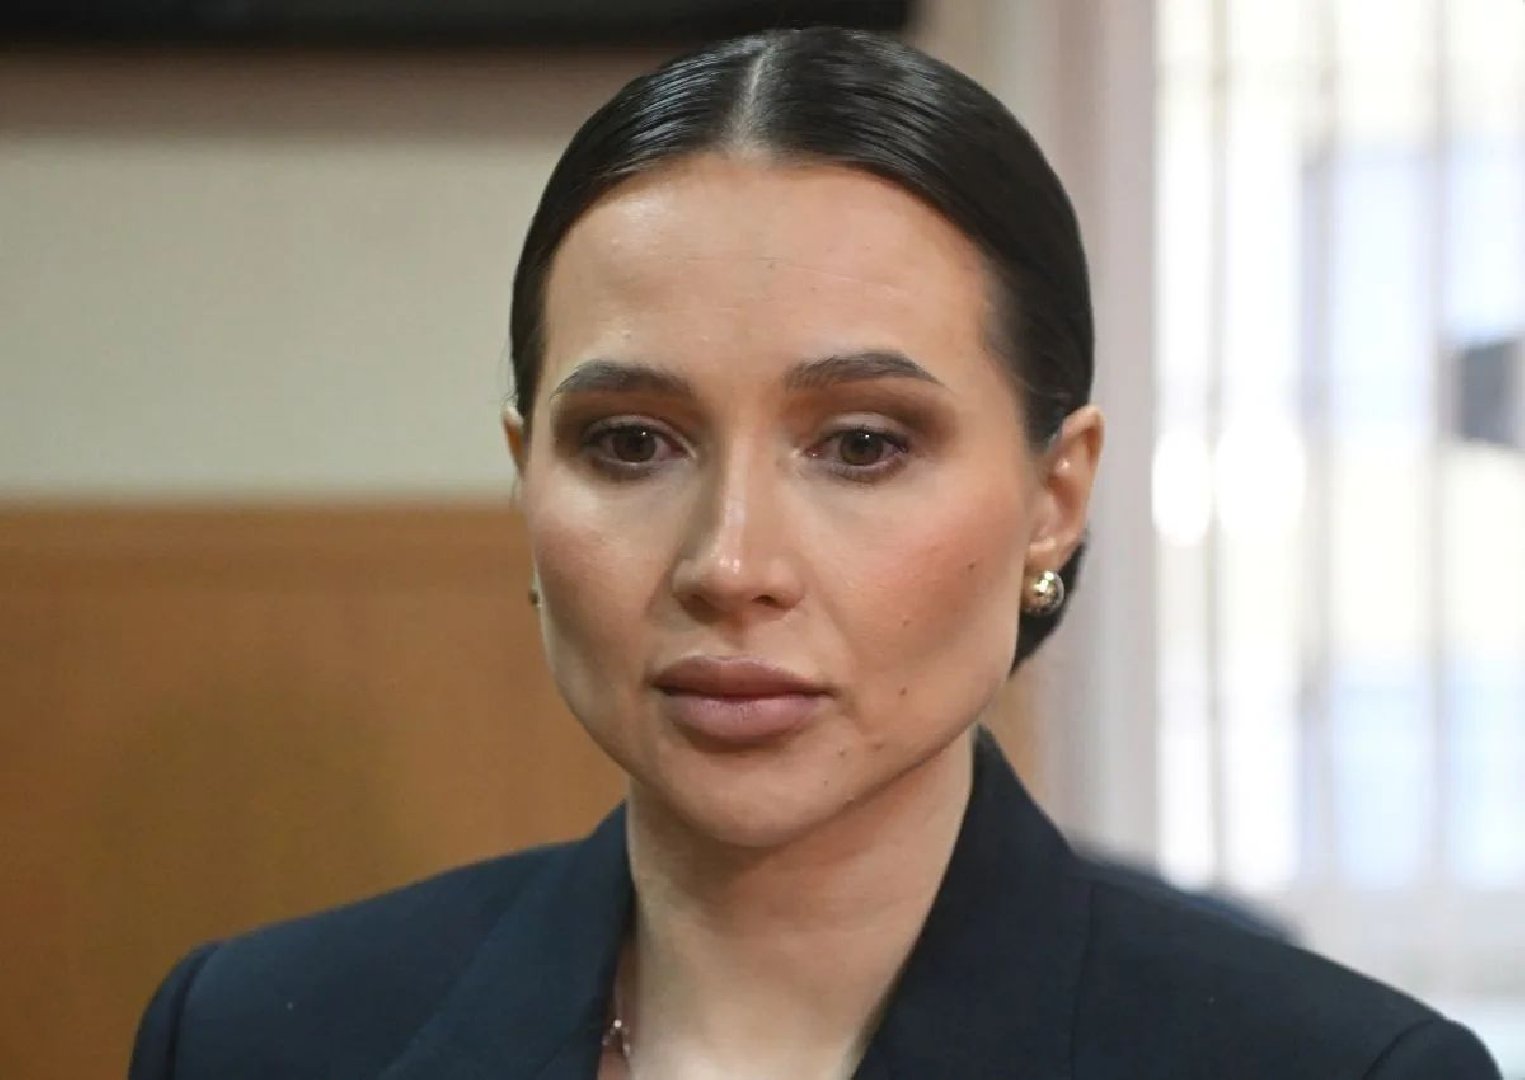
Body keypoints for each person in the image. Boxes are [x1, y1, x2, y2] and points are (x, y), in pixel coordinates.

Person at [130, 27, 1502, 1080]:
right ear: (524, 476)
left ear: (1054, 495)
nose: (731, 565)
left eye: (861, 445)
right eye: (628, 444)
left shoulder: (1331, 1069)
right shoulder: (257, 1033)